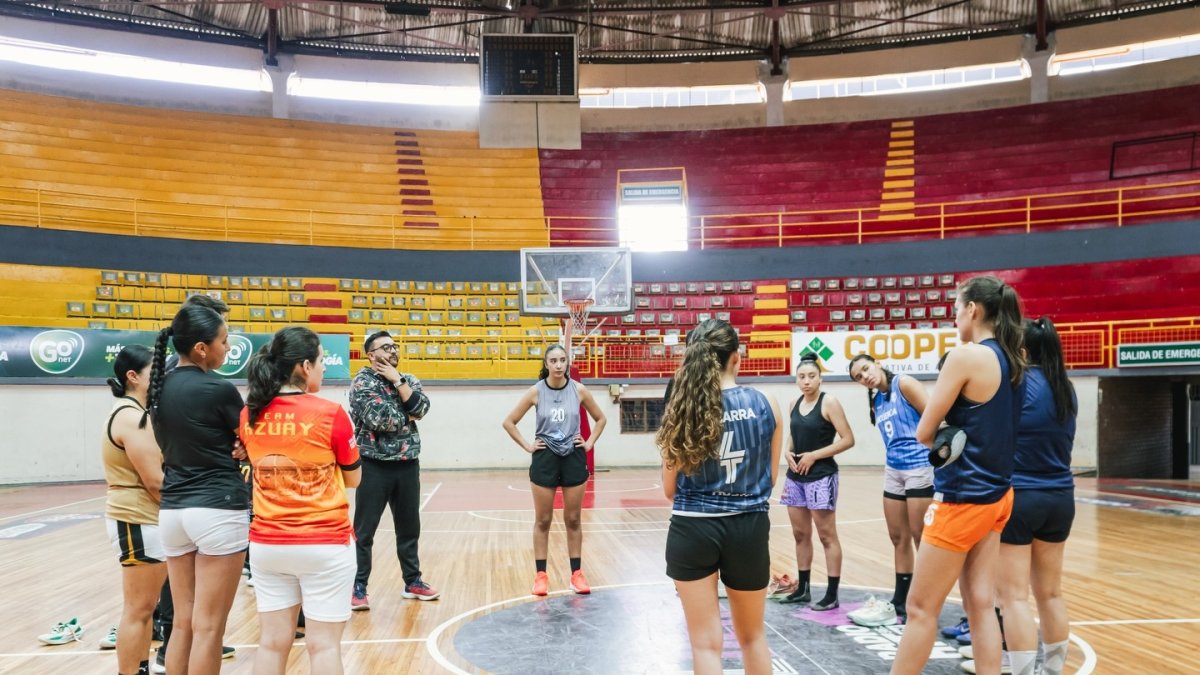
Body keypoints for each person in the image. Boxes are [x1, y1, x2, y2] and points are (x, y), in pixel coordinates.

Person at [890, 275, 1025, 675]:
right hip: (999, 495)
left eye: (955, 306)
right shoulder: (1012, 354)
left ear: (973, 310)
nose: (953, 315)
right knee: (981, 604)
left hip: (963, 498)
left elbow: (925, 431)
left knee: (919, 608)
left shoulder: (966, 356)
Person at [656, 319, 782, 675]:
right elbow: (769, 478)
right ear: (736, 358)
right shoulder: (766, 402)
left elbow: (669, 490)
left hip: (693, 528)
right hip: (749, 526)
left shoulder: (682, 410)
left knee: (705, 644)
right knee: (753, 638)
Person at [239, 327, 362, 675]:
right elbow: (353, 478)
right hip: (325, 543)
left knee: (271, 644)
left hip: (267, 544)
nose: (324, 368)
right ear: (305, 366)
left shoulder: (250, 414)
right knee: (323, 646)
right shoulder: (331, 413)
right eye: (321, 361)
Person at [146, 303, 248, 675]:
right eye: (223, 341)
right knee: (209, 628)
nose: (227, 347)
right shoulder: (219, 389)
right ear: (202, 348)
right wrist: (240, 447)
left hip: (173, 512)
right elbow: (250, 440)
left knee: (183, 623)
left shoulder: (159, 388)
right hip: (218, 510)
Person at [993, 317, 1077, 675]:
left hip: (1020, 498)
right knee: (1051, 594)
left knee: (1012, 597)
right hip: (1061, 498)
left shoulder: (1017, 385)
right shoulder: (1066, 388)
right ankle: (1053, 671)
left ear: (1022, 349)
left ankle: (1023, 672)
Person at [502, 343, 608, 596]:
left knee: (573, 519)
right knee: (543, 520)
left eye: (562, 360)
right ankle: (541, 576)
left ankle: (576, 574)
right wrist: (528, 446)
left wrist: (590, 442)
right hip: (545, 457)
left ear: (567, 362)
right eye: (554, 361)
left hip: (572, 455)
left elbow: (601, 418)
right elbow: (509, 422)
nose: (559, 365)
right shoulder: (536, 391)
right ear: (546, 364)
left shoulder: (579, 390)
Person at [350, 330, 436, 608]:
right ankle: (358, 586)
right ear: (371, 354)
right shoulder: (362, 383)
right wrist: (407, 412)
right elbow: (379, 419)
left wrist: (398, 382)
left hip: (407, 465)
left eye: (395, 346)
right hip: (374, 466)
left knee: (409, 528)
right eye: (385, 347)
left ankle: (413, 581)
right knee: (365, 531)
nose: (392, 351)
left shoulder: (407, 379)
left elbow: (422, 409)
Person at [846, 353, 934, 624]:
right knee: (898, 537)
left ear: (878, 364)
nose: (865, 377)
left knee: (922, 538)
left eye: (866, 369)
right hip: (893, 470)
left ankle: (926, 600)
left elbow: (935, 417)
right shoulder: (877, 401)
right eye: (859, 377)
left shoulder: (904, 384)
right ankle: (901, 598)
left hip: (919, 466)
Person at [103, 345, 169, 675]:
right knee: (138, 609)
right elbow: (156, 482)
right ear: (133, 376)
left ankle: (140, 668)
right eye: (154, 370)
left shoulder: (135, 412)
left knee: (144, 608)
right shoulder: (131, 417)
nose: (161, 376)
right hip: (137, 519)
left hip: (144, 519)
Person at [777, 353, 854, 610]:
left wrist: (814, 456)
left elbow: (847, 439)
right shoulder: (794, 403)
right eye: (802, 377)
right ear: (796, 380)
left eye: (811, 376)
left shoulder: (829, 402)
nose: (806, 381)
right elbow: (794, 435)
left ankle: (831, 594)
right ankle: (804, 589)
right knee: (800, 535)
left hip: (821, 476)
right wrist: (788, 451)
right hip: (795, 477)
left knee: (826, 536)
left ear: (820, 378)